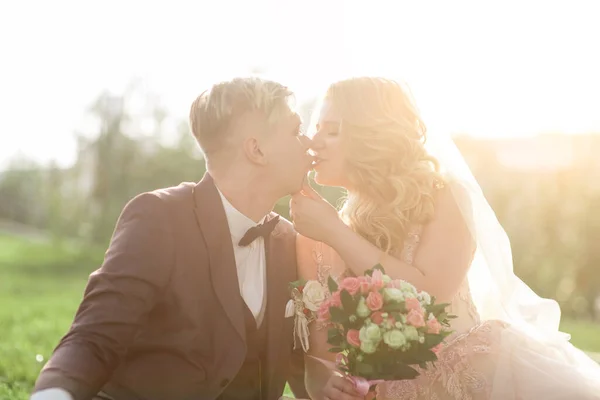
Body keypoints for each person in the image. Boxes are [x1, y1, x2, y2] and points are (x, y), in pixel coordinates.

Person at [290, 76, 600, 399]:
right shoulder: (317, 235)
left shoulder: (443, 198)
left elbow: (428, 298)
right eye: (316, 128)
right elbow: (320, 359)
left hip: (476, 384)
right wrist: (321, 379)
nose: (315, 141)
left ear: (373, 136)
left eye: (332, 130)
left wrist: (336, 233)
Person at [31, 77, 313, 400]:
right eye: (295, 131)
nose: (307, 142)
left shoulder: (287, 240)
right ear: (257, 149)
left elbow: (301, 364)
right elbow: (94, 338)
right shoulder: (159, 217)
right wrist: (52, 395)